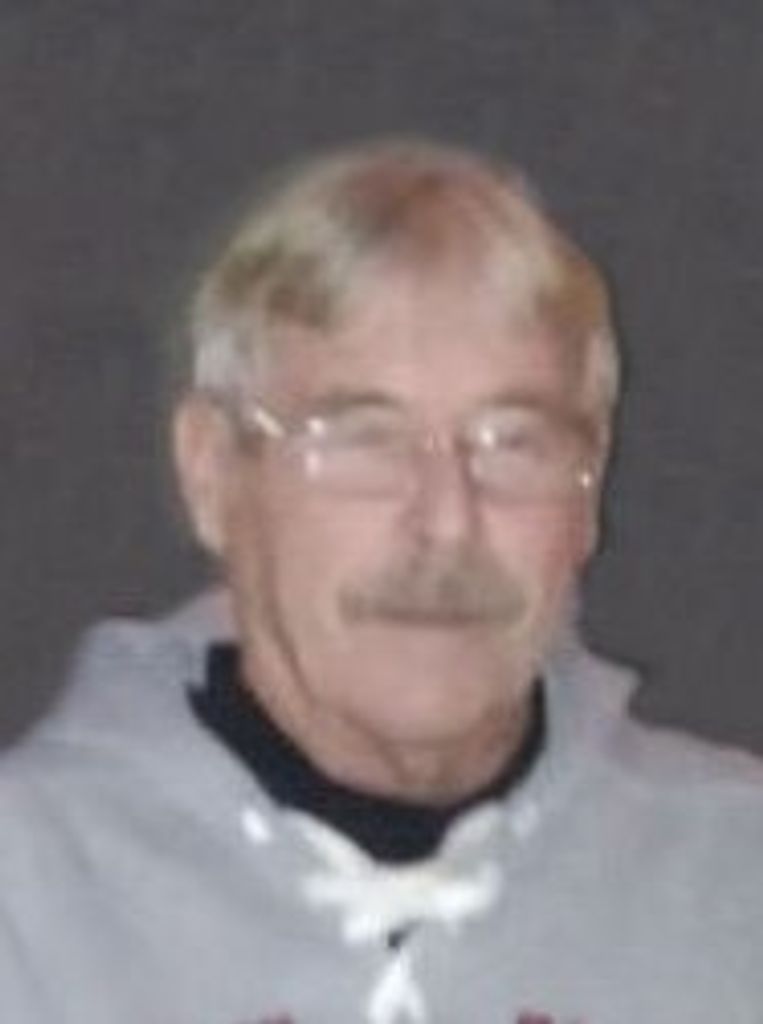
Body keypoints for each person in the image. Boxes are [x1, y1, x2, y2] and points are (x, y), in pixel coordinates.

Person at [1, 138, 761, 1024]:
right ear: (211, 472)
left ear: (588, 493)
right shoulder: (28, 904)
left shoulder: (735, 889)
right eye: (363, 437)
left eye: (513, 442)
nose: (447, 521)